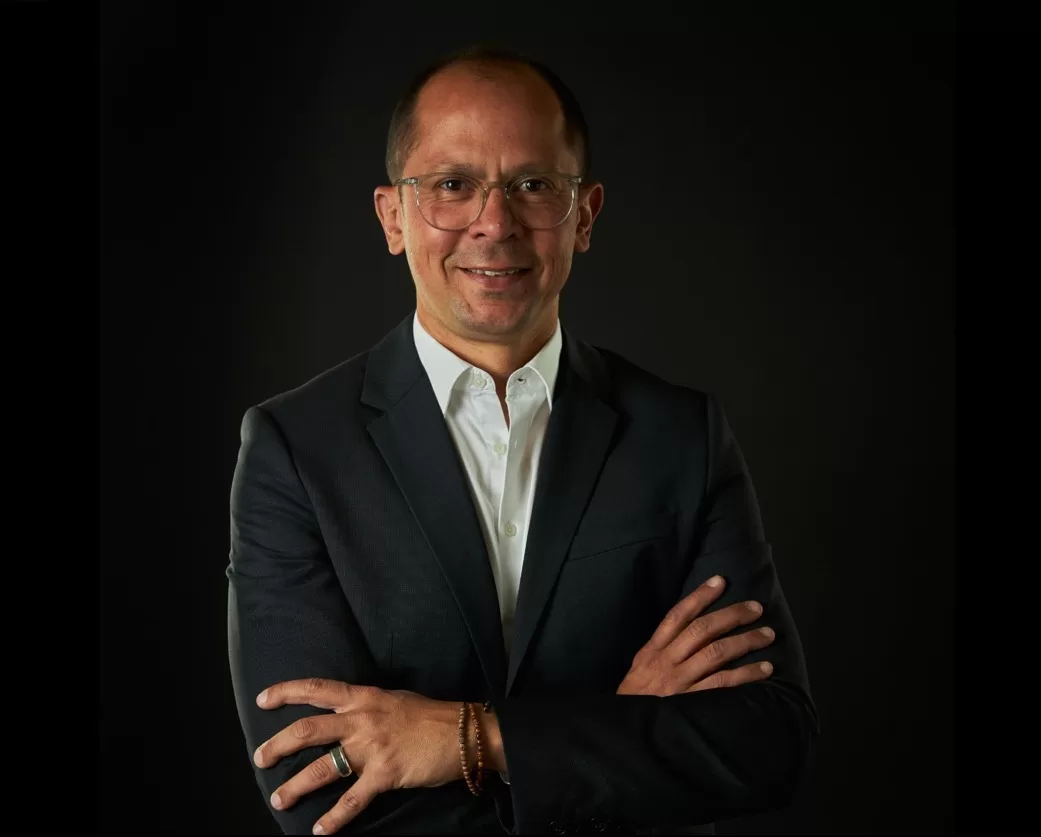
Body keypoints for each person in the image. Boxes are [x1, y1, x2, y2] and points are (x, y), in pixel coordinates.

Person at [227, 44, 818, 836]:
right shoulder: (293, 449)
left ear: (585, 214)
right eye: (452, 185)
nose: (495, 222)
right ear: (393, 217)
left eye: (533, 184)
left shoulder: (681, 434)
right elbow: (316, 796)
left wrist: (469, 736)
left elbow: (769, 742)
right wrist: (621, 724)